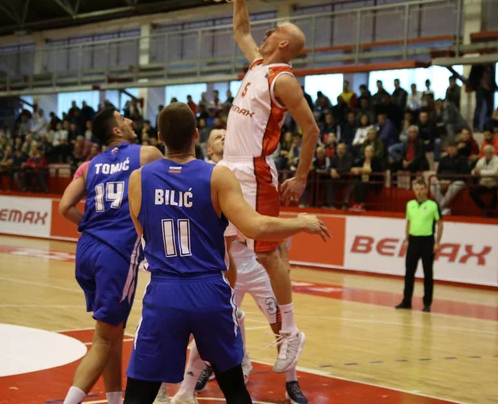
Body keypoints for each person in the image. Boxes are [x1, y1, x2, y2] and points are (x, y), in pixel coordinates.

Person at [122, 103, 329, 404]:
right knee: (233, 386)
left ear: (160, 137)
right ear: (196, 135)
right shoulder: (218, 176)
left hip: (164, 290)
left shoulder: (138, 179)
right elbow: (255, 226)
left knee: (139, 393)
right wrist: (302, 223)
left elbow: (143, 231)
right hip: (209, 291)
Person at [172, 126, 309, 404]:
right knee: (207, 323)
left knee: (280, 324)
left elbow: (266, 215)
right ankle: (188, 386)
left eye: (226, 135)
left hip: (256, 263)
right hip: (224, 263)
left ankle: (291, 382)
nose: (224, 139)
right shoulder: (205, 176)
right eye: (217, 137)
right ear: (207, 149)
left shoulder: (247, 172)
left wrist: (281, 252)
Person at [227, 0, 320, 373]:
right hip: (228, 168)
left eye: (273, 30)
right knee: (224, 252)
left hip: (254, 169)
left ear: (283, 42)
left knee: (267, 253)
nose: (265, 33)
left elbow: (311, 130)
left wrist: (300, 177)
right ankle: (225, 330)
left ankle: (290, 331)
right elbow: (242, 32)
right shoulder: (256, 65)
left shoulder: (282, 78)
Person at [56, 108, 163, 404]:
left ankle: (115, 400)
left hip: (87, 251)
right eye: (123, 119)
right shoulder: (147, 154)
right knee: (104, 339)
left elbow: (65, 207)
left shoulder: (90, 166)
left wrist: (92, 226)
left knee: (113, 332)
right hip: (116, 253)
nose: (129, 121)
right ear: (116, 131)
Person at [395, 179, 443, 313]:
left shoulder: (433, 205)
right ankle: (406, 301)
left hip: (427, 241)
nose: (419, 192)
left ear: (426, 190)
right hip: (413, 241)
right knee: (409, 272)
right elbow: (408, 222)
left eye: (422, 189)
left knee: (428, 273)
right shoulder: (410, 204)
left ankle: (427, 303)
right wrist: (406, 239)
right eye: (417, 189)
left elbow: (440, 224)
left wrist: (437, 242)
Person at [431, 141, 470, 216]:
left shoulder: (462, 159)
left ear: (456, 149)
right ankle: (444, 208)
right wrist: (441, 180)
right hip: (444, 180)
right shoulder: (443, 159)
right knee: (433, 186)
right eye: (449, 147)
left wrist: (450, 181)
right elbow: (438, 173)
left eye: (453, 147)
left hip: (458, 181)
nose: (451, 149)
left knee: (453, 187)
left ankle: (440, 207)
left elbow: (464, 174)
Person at [470, 145, 498, 217]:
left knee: (496, 194)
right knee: (472, 192)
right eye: (486, 152)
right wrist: (475, 172)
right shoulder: (481, 160)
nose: (487, 154)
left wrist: (481, 172)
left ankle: (491, 211)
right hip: (483, 183)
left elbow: (494, 172)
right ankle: (484, 207)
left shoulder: (497, 160)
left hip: (495, 183)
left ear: (492, 152)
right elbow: (473, 171)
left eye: (489, 152)